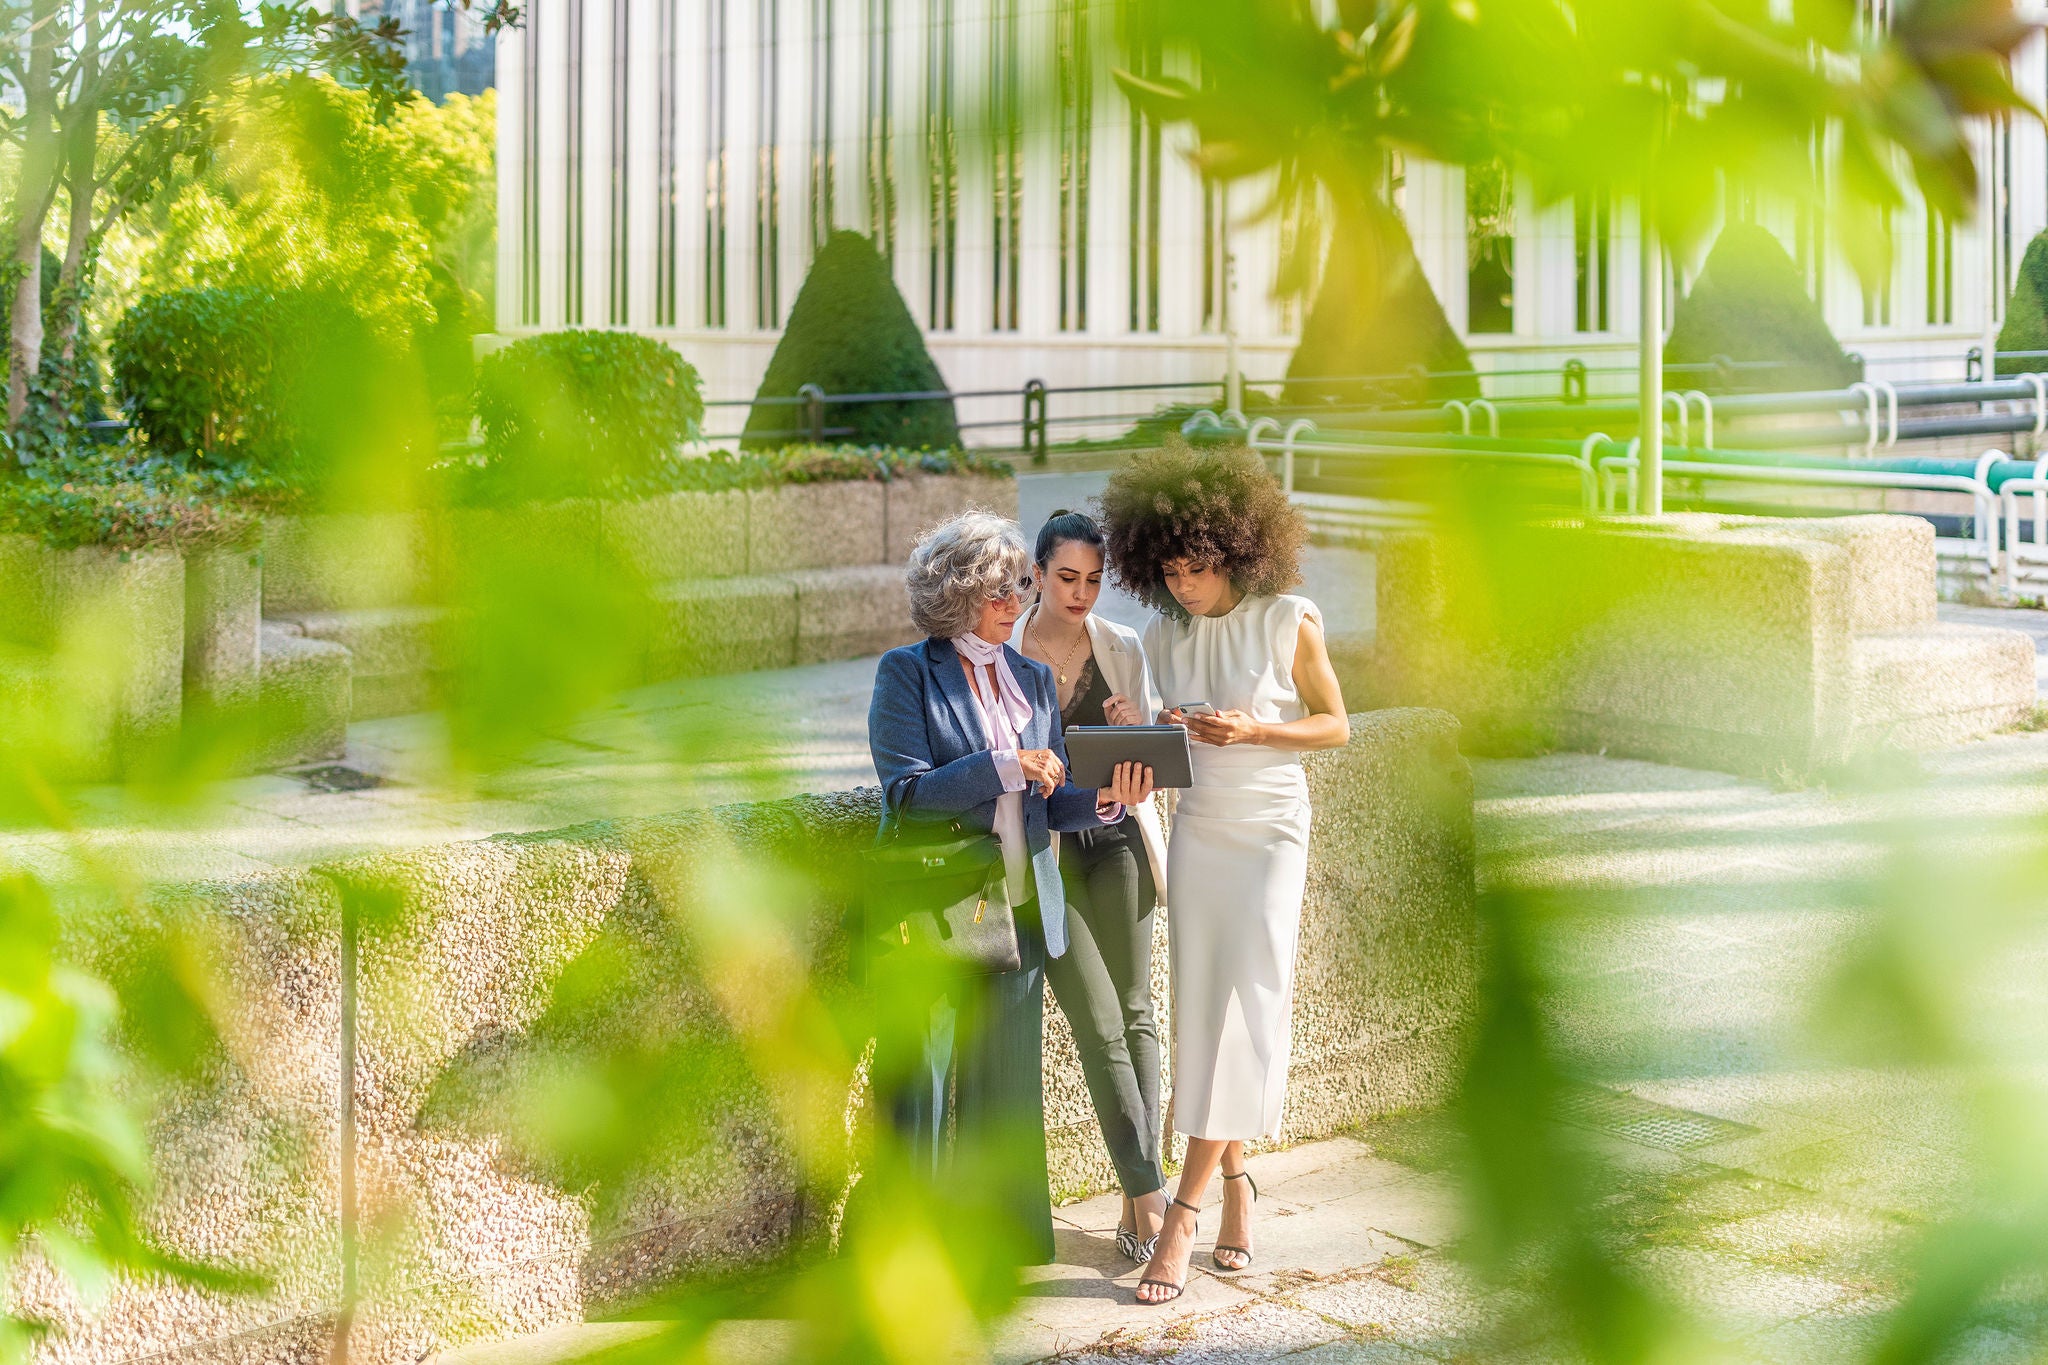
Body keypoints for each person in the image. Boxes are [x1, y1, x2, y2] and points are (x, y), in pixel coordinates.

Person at [866, 510, 1155, 1265]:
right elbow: (905, 794)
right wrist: (1005, 763)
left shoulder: (1028, 676)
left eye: (1018, 585)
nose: (1015, 599)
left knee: (1006, 1089)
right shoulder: (906, 672)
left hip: (1024, 907)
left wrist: (1104, 798)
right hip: (935, 912)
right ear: (958, 595)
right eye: (1001, 589)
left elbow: (1048, 800)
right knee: (920, 1088)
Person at [1099, 443, 1351, 1304]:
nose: (1183, 585)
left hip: (1272, 828)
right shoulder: (1163, 633)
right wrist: (1142, 725)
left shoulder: (1290, 619)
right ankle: (1239, 1186)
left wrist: (1255, 733)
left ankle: (1183, 1214)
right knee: (1206, 1010)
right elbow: (1169, 742)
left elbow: (1335, 727)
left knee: (1252, 999)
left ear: (1238, 551)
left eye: (1197, 567)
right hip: (1200, 828)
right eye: (1168, 569)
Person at [1014, 510, 1172, 1264]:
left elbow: (1150, 767)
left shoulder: (1123, 647)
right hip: (1048, 855)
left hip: (1117, 842)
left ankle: (1137, 1192)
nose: (1080, 594)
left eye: (1093, 580)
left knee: (1138, 1009)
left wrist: (1136, 728)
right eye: (1066, 578)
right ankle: (1153, 1192)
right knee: (1098, 1018)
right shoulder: (1006, 653)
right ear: (1037, 573)